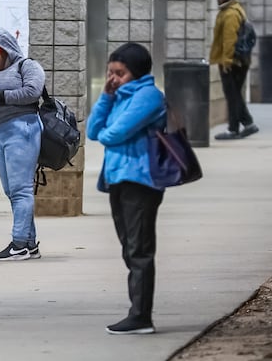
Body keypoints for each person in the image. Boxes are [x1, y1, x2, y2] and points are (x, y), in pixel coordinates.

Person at [87, 42, 166, 335]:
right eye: (110, 73)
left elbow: (116, 133)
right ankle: (138, 312)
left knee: (139, 249)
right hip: (118, 179)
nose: (114, 79)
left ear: (137, 71)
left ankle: (141, 316)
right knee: (129, 248)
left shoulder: (148, 96)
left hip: (141, 181)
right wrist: (106, 96)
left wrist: (109, 131)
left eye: (119, 73)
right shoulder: (118, 95)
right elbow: (94, 131)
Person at [0, 27, 44, 261]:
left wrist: (0, 97)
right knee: (12, 190)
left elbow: (33, 91)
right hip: (1, 131)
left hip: (22, 129)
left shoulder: (27, 66)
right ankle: (29, 243)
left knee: (21, 189)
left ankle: (19, 244)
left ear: (6, 50)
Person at [210, 0, 259, 140]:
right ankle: (248, 124)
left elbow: (229, 40)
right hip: (238, 61)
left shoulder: (230, 14)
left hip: (233, 63)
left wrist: (226, 62)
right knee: (235, 95)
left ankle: (233, 129)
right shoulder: (233, 10)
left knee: (232, 96)